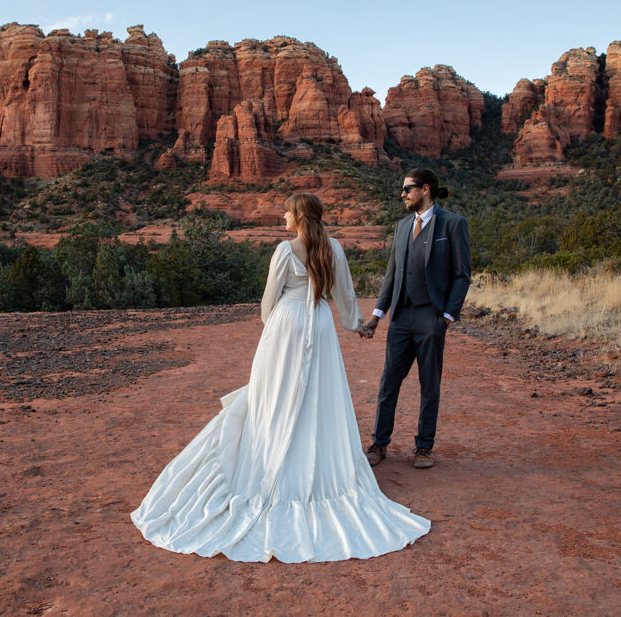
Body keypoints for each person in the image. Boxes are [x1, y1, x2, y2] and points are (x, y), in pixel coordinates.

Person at [131, 193, 430, 562]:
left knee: (274, 396)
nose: (282, 216)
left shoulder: (285, 251)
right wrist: (357, 326)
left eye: (287, 211)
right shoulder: (334, 248)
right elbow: (345, 297)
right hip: (320, 326)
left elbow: (268, 303)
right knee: (318, 398)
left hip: (286, 327)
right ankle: (315, 465)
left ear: (300, 215)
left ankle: (275, 457)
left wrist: (273, 327)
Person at [361, 169, 471, 469]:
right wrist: (376, 316)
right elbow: (391, 274)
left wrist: (446, 317)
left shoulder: (453, 223)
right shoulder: (401, 227)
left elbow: (462, 275)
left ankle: (424, 448)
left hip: (431, 317)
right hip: (401, 317)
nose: (403, 194)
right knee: (388, 383)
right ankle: (379, 443)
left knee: (429, 385)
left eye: (407, 189)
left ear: (425, 189)